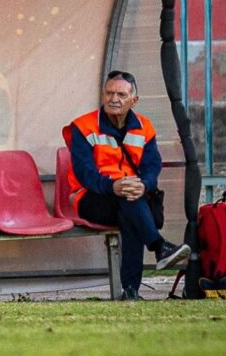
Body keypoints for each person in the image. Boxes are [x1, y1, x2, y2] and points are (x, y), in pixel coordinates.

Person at [64, 70, 191, 300]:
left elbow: (153, 166)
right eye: (109, 93)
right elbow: (84, 173)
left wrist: (143, 185)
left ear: (134, 100)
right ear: (103, 96)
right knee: (128, 198)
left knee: (129, 208)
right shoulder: (83, 126)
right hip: (91, 198)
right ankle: (159, 246)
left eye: (121, 94)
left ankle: (130, 291)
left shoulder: (145, 126)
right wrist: (114, 186)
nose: (114, 99)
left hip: (131, 197)